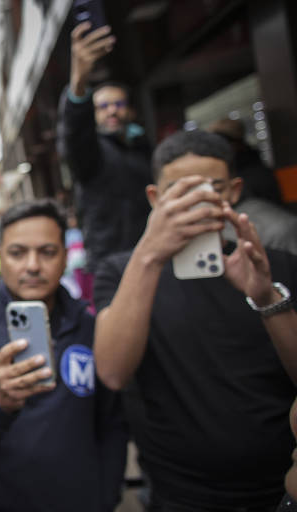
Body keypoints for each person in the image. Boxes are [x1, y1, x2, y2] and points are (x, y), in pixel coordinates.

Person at [94, 130, 297, 510]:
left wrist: (267, 297)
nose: (197, 203)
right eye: (180, 192)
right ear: (155, 198)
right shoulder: (123, 272)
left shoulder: (274, 266)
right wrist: (149, 256)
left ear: (233, 191)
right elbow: (112, 372)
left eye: (210, 188)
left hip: (282, 490)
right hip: (181, 498)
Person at [0, 199, 127, 511]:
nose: (33, 265)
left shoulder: (89, 327)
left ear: (66, 256)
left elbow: (112, 423)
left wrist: (106, 496)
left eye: (47, 252)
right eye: (18, 252)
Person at [57, 21, 153, 271]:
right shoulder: (91, 153)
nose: (112, 110)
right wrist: (79, 83)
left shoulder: (142, 148)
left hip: (152, 255)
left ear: (129, 110)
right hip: (111, 263)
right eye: (103, 106)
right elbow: (76, 133)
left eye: (118, 105)